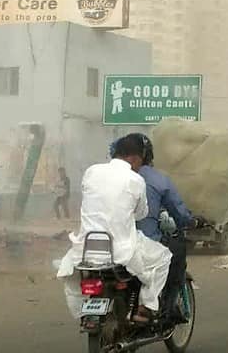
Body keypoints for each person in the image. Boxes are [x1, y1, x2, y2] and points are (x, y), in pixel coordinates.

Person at [57, 134, 172, 323]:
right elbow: (141, 214)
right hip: (121, 249)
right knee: (163, 258)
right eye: (141, 162)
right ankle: (146, 307)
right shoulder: (135, 180)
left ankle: (89, 311)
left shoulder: (91, 171)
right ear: (135, 158)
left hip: (86, 248)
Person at [110, 134, 203, 319]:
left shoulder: (103, 175)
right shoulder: (153, 179)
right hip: (141, 242)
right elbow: (178, 212)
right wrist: (193, 221)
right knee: (175, 253)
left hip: (104, 243)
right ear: (143, 155)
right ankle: (166, 307)